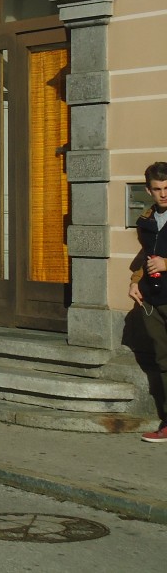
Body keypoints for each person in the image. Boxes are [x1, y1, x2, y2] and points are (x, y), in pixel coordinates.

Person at [130, 161, 167, 442]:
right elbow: (144, 255)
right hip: (152, 301)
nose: (163, 194)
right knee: (163, 362)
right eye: (157, 189)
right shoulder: (145, 220)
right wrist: (134, 282)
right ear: (148, 190)